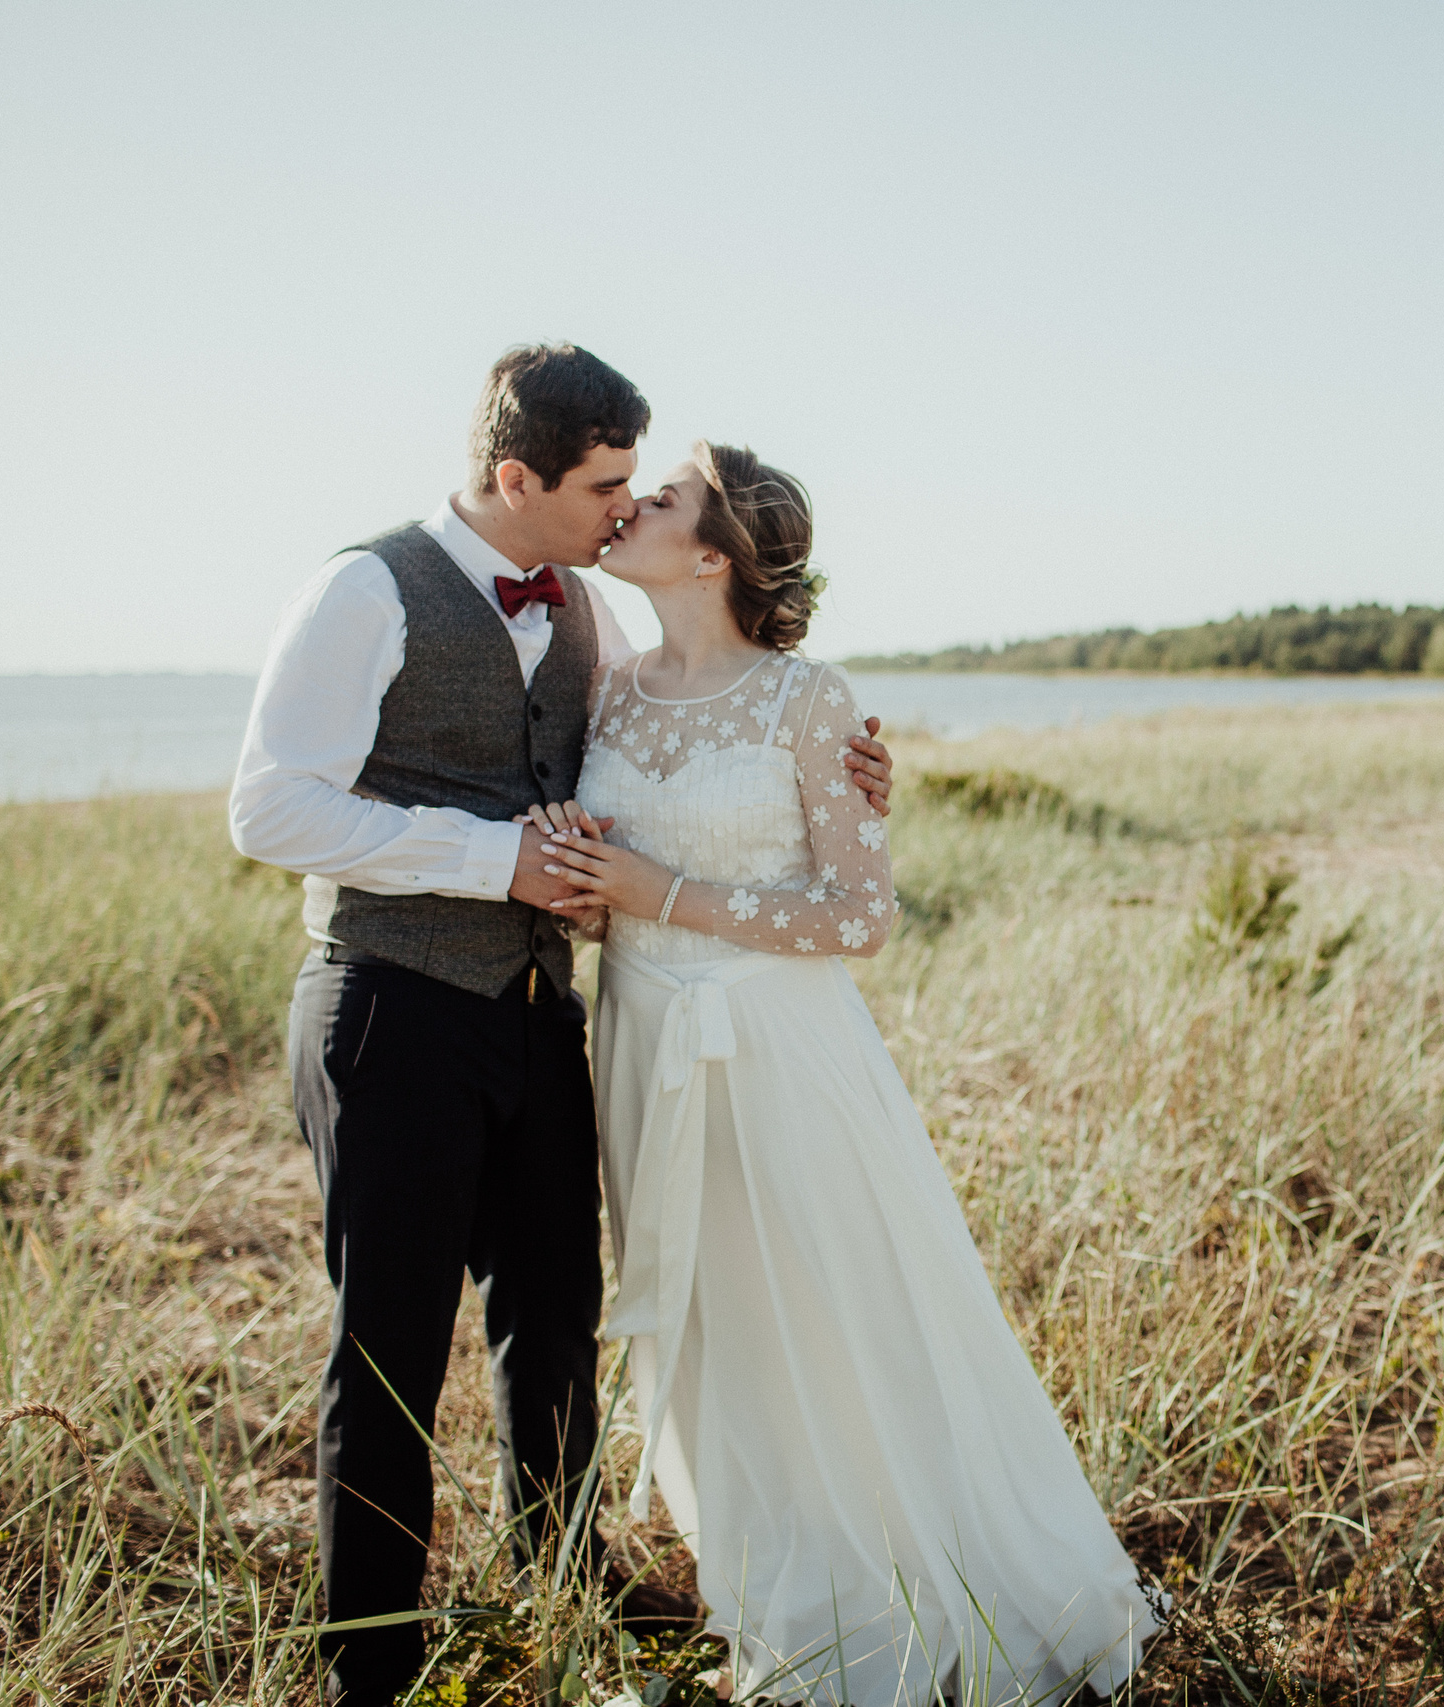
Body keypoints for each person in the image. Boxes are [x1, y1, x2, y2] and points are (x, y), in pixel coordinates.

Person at [228, 346, 896, 1707]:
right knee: (389, 1344)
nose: (622, 506)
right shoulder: (364, 589)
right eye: (602, 486)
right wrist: (498, 862)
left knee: (555, 1318)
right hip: (391, 1007)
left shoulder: (590, 614)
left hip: (543, 1015)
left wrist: (840, 776)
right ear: (515, 476)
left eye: (635, 484)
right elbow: (270, 807)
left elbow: (677, 763)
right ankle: (372, 1665)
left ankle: (564, 1586)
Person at [523, 442, 1159, 1705]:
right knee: (708, 1322)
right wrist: (590, 888)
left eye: (663, 498)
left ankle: (899, 1599)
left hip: (775, 1049)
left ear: (713, 556)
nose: (631, 505)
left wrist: (663, 892)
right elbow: (615, 884)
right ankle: (773, 1595)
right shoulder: (608, 687)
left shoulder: (810, 701)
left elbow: (858, 916)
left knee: (826, 1310)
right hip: (643, 1038)